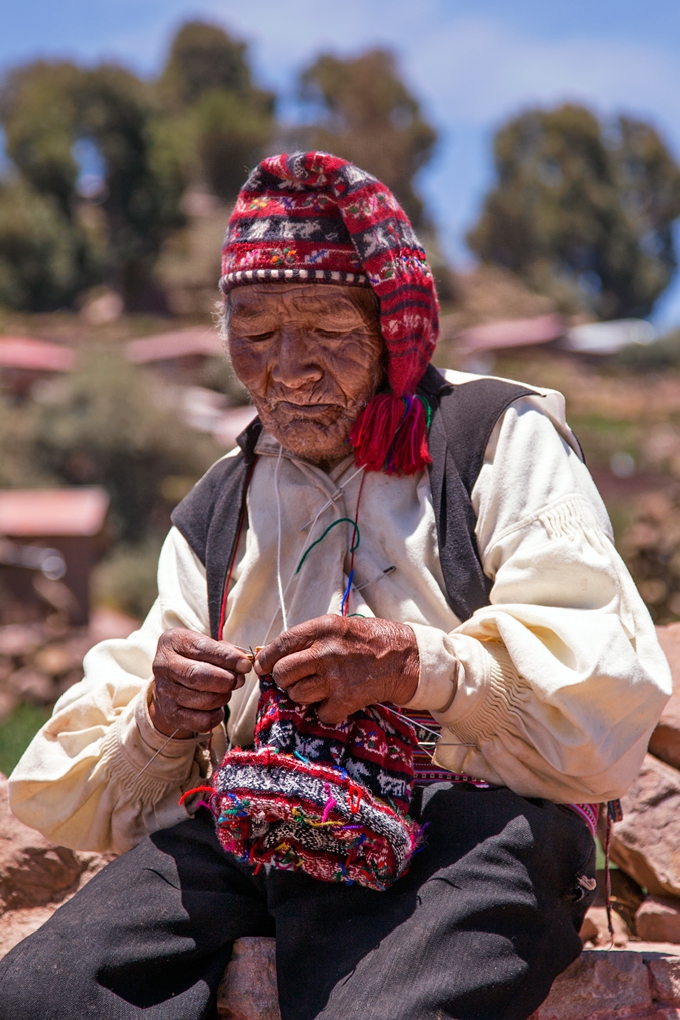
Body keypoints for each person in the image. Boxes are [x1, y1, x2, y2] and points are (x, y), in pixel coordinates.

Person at [0, 151, 670, 1020]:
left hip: (476, 833)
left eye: (327, 330)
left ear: (393, 327)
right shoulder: (220, 504)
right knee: (38, 997)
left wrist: (420, 670)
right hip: (264, 828)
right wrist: (164, 717)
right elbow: (87, 792)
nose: (289, 370)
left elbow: (610, 700)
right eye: (255, 332)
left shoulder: (495, 438)